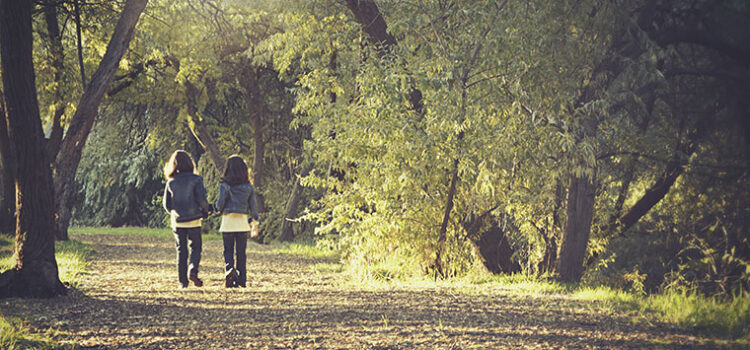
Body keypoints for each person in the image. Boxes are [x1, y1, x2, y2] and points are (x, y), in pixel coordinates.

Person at [162, 150, 210, 289]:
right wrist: (205, 211)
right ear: (190, 163)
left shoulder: (171, 182)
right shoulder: (196, 179)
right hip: (194, 220)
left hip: (178, 221)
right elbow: (202, 200)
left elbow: (166, 205)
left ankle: (183, 282)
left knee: (181, 251)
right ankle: (193, 270)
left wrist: (175, 213)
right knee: (196, 248)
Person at [214, 155, 259, 288]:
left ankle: (229, 270)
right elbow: (254, 208)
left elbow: (220, 204)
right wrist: (254, 223)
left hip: (228, 222)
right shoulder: (248, 188)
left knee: (228, 251)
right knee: (241, 253)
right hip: (242, 224)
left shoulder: (224, 185)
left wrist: (216, 209)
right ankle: (242, 280)